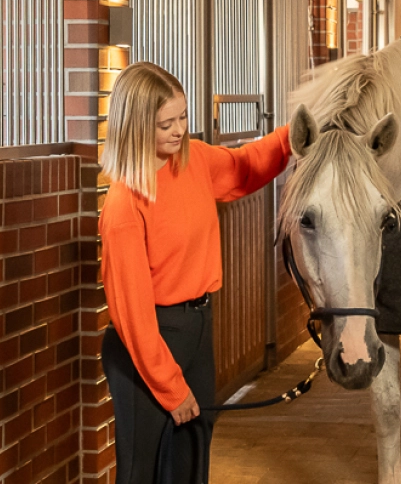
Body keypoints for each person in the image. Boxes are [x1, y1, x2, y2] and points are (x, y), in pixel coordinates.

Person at [98, 62, 291, 484]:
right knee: (141, 473)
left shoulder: (195, 160)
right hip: (146, 346)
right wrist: (171, 388)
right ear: (134, 126)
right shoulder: (123, 204)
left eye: (183, 117)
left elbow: (245, 166)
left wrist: (294, 136)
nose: (179, 130)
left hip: (197, 326)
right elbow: (132, 317)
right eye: (165, 123)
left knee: (191, 462)